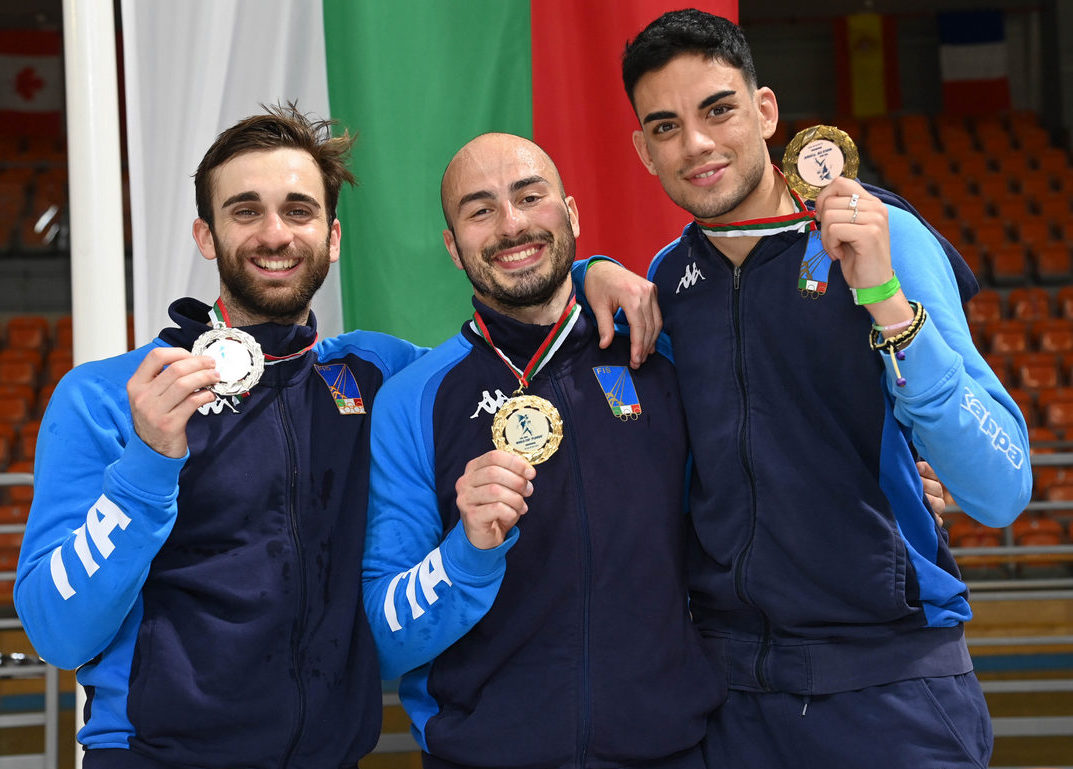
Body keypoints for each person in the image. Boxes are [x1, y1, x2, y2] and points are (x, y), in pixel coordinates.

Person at [579, 9, 1032, 769]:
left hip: (888, 693)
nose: (695, 144)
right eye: (665, 126)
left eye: (717, 109)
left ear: (764, 111)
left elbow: (1000, 488)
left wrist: (885, 299)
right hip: (726, 700)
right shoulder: (663, 284)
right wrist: (579, 268)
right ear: (643, 151)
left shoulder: (879, 237)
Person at [14, 105, 423, 768]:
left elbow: (505, 354)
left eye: (298, 210)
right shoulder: (107, 396)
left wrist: (587, 271)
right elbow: (55, 631)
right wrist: (146, 465)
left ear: (333, 234)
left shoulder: (380, 374)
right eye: (244, 210)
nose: (274, 233)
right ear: (206, 236)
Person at [362, 132, 721, 769]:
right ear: (452, 247)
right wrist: (465, 554)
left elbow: (740, 511)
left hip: (671, 751)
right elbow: (383, 637)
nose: (512, 224)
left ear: (573, 213)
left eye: (531, 196)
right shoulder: (415, 399)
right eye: (479, 210)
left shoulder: (659, 356)